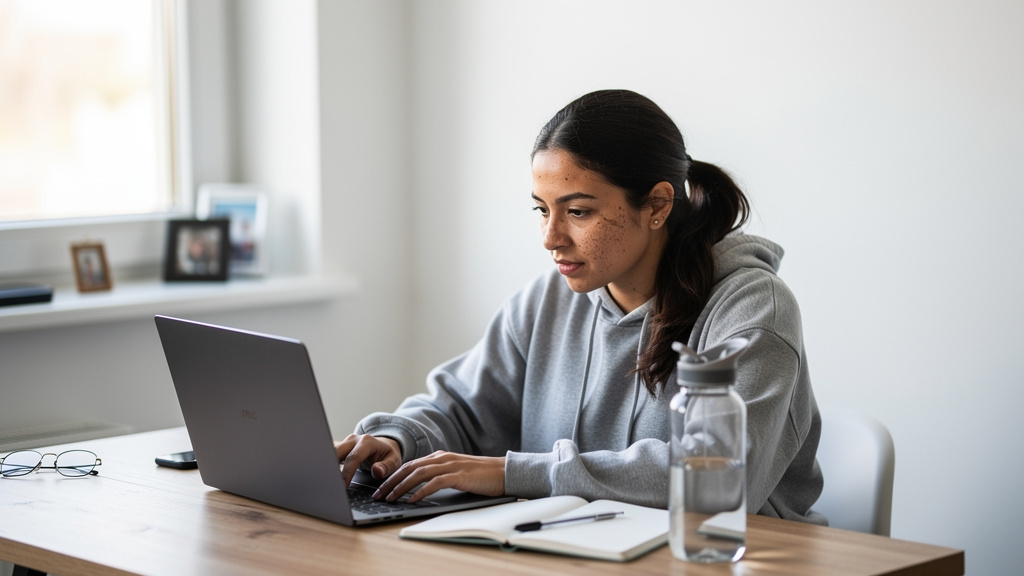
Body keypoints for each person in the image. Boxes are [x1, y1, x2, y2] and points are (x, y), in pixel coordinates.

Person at [335, 89, 825, 524]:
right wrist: (398, 439)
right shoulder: (546, 301)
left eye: (577, 211)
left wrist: (513, 474)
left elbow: (720, 479)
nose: (551, 238)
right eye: (542, 210)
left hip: (725, 558)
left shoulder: (752, 308)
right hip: (576, 553)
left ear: (656, 205)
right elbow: (461, 409)